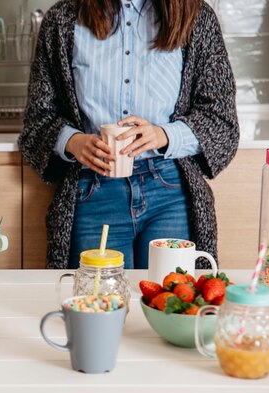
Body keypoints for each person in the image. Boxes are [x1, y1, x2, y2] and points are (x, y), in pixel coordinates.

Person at [19, 0, 239, 269]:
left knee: (168, 302)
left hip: (170, 192)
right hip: (94, 189)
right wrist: (75, 142)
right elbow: (38, 119)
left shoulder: (196, 17)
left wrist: (163, 135)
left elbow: (221, 119)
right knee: (97, 302)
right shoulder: (63, 19)